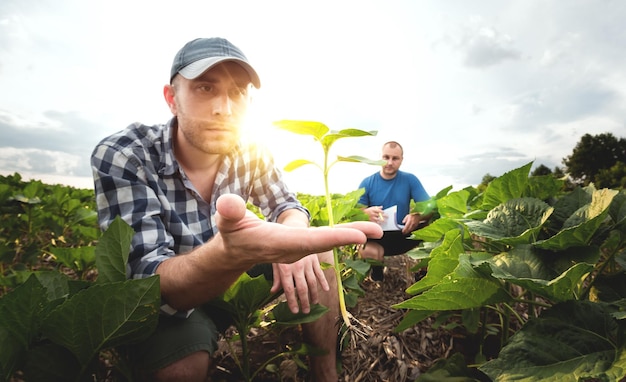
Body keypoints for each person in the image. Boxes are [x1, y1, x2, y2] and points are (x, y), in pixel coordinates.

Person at [91, 37, 382, 381]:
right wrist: (231, 255)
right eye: (204, 88)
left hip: (231, 281)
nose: (225, 108)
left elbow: (286, 205)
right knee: (181, 367)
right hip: (172, 306)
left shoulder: (250, 148)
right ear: (172, 98)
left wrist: (294, 234)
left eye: (239, 92)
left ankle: (325, 374)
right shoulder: (127, 154)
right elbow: (146, 282)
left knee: (317, 257)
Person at [357, 141, 431, 281]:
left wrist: (417, 216)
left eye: (395, 158)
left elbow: (430, 207)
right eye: (386, 157)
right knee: (366, 249)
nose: (390, 162)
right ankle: (377, 274)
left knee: (432, 231)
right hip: (377, 237)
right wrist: (365, 213)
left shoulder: (410, 180)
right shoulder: (367, 183)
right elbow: (354, 213)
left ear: (401, 160)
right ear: (380, 157)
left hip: (404, 234)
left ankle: (423, 277)